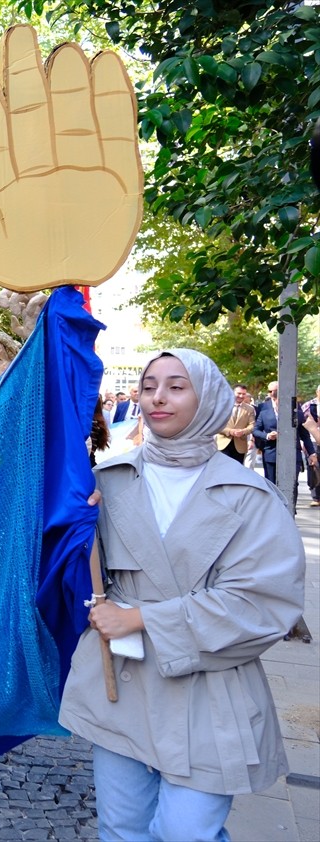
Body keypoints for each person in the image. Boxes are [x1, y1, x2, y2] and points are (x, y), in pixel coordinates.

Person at [59, 349, 305, 842]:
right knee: (122, 827)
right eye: (150, 385)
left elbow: (264, 603)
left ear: (208, 397)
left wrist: (142, 620)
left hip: (211, 691)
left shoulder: (250, 496)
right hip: (122, 684)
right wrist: (73, 533)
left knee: (184, 832)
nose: (157, 397)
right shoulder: (108, 481)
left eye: (176, 385)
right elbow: (63, 579)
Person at [215, 383, 256, 463]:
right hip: (222, 444)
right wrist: (230, 431)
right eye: (239, 393)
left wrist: (243, 431)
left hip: (240, 446)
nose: (241, 396)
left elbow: (252, 425)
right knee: (222, 470)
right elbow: (216, 424)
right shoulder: (222, 406)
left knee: (237, 471)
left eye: (243, 394)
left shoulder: (249, 409)